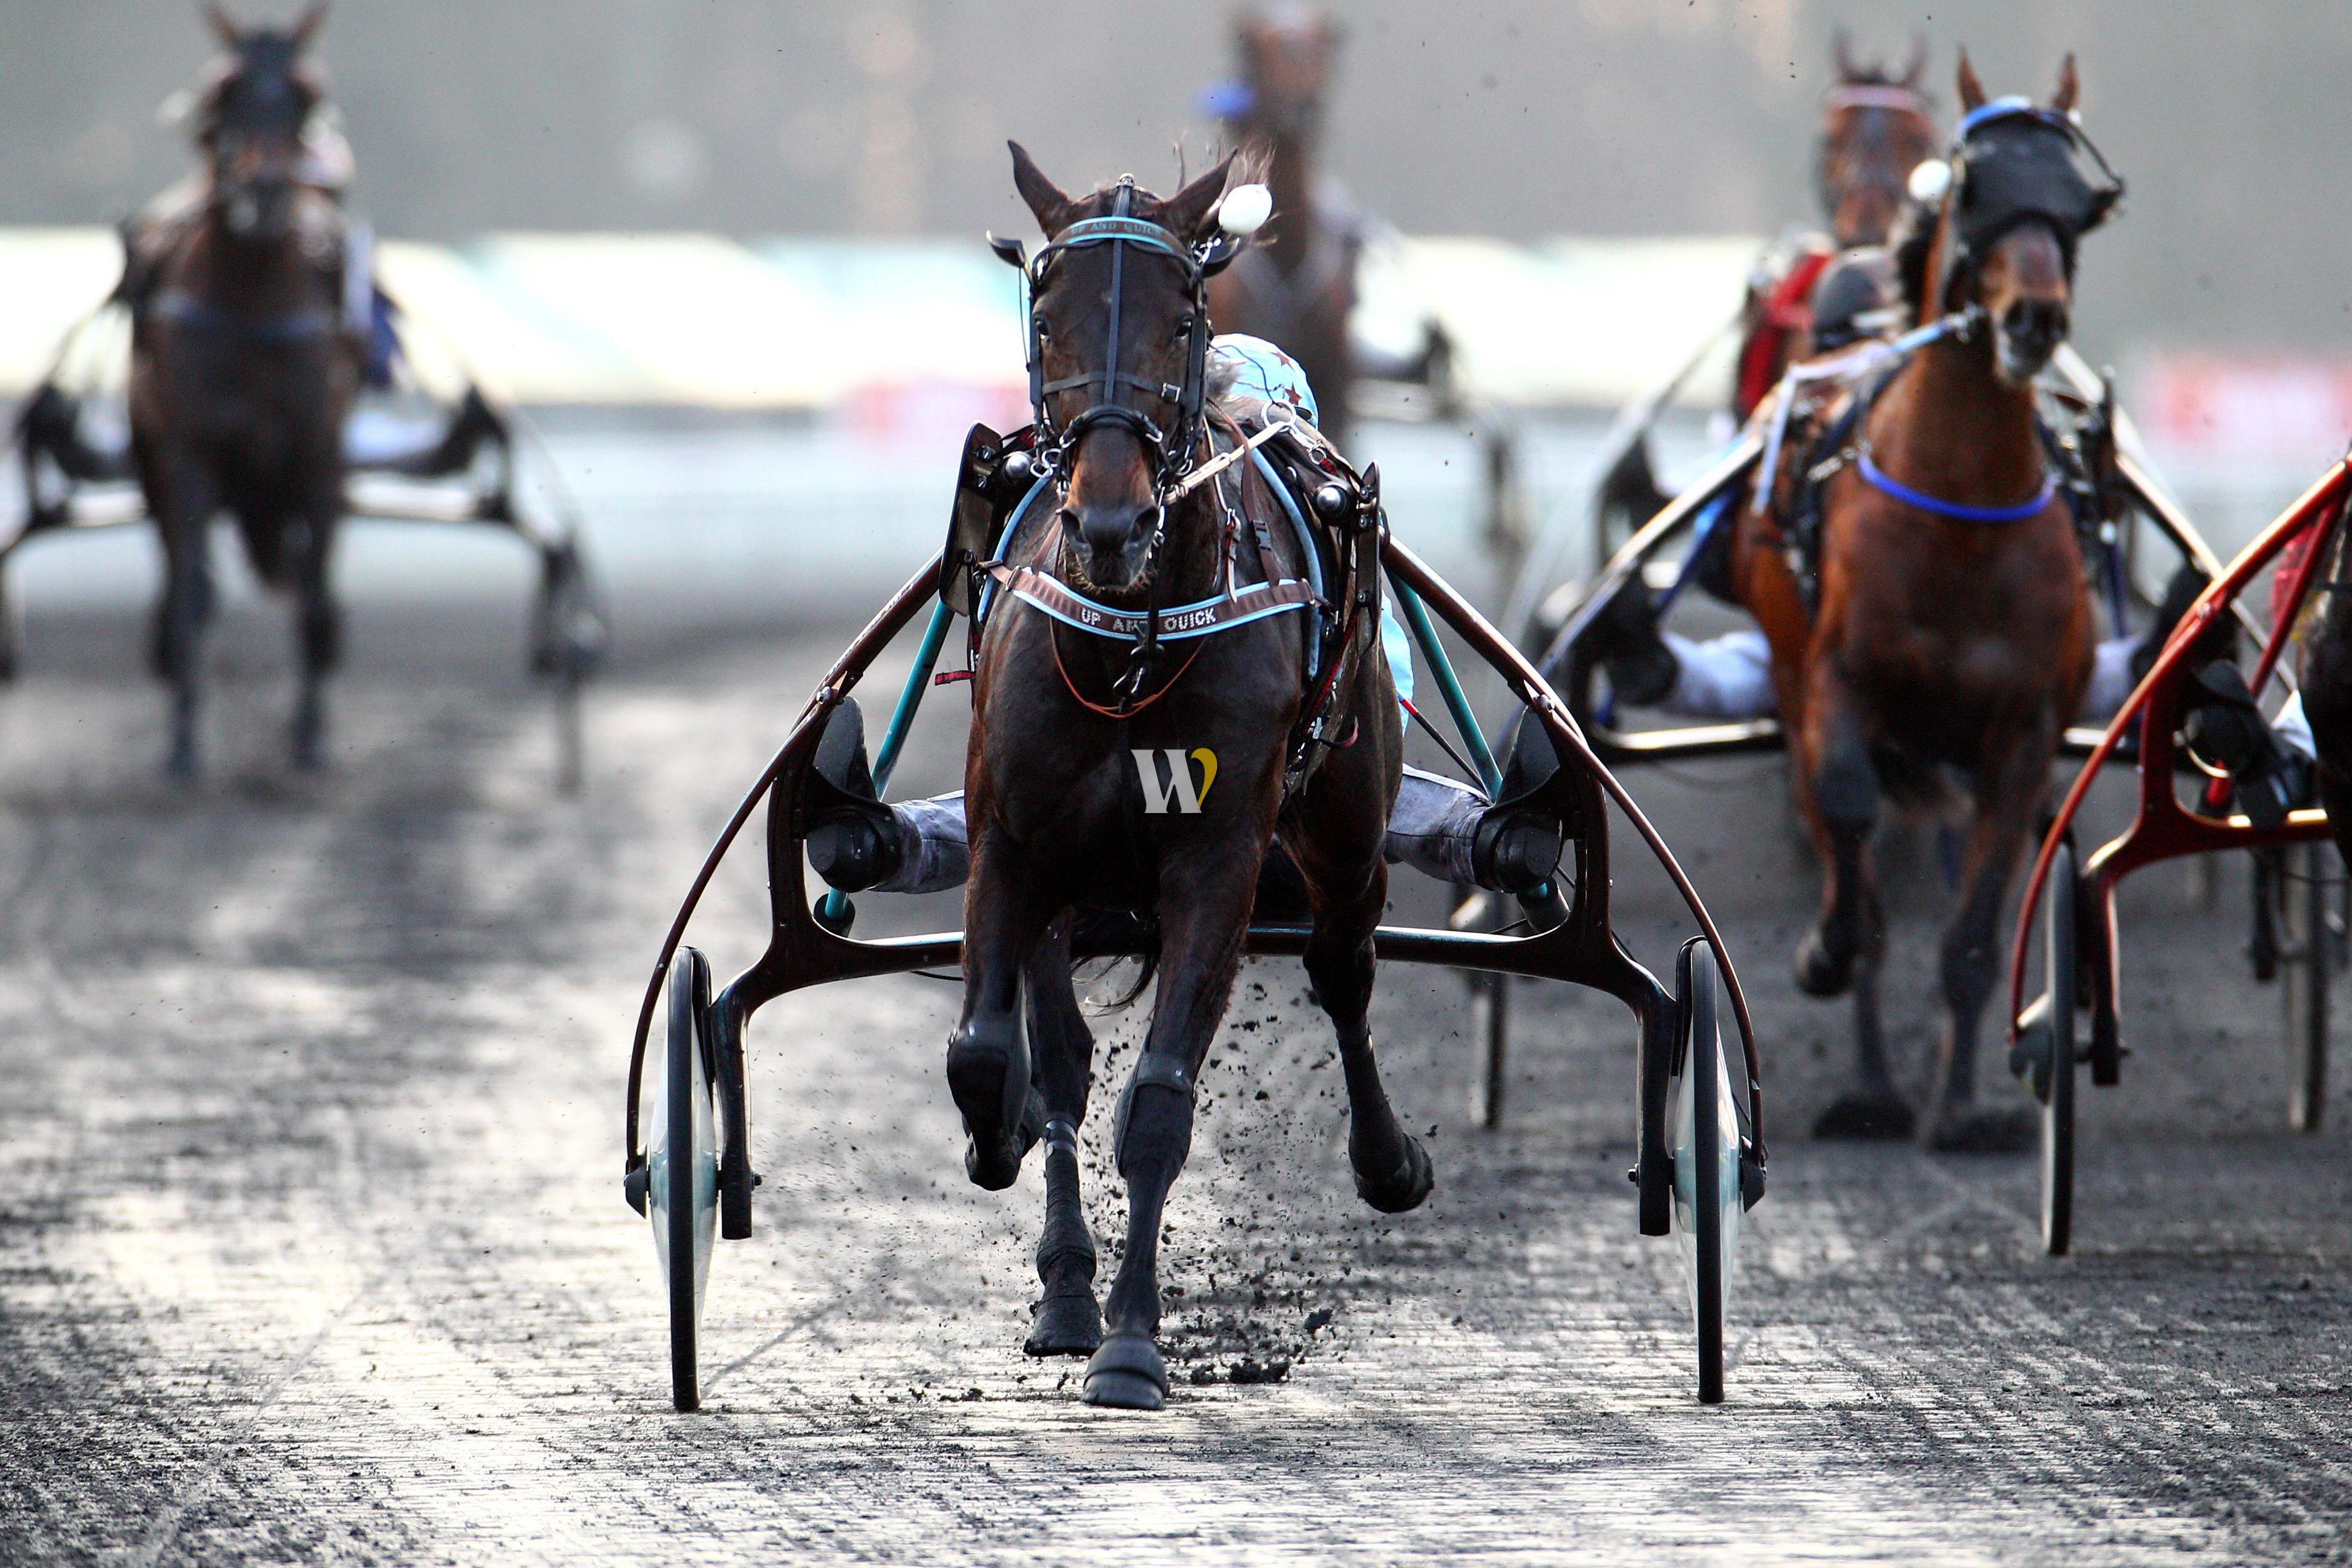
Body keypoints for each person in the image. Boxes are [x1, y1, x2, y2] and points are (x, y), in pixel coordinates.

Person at [806, 335, 1567, 901]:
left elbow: (1374, 740)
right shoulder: (1200, 524)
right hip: (1170, 802)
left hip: (1268, 822)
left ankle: (886, 846)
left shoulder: (1327, 553)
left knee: (1331, 782)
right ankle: (1488, 841)